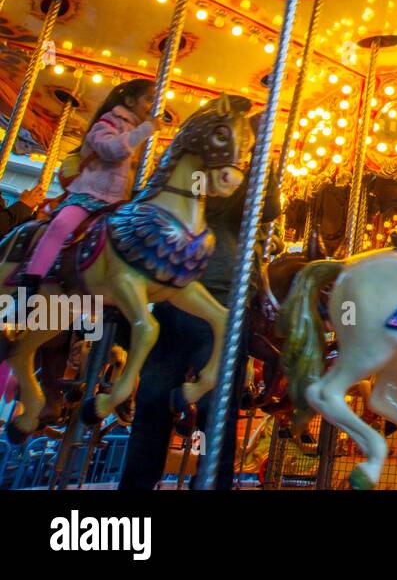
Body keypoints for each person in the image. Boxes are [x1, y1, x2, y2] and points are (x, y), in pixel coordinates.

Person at [118, 110, 279, 491]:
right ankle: (211, 480)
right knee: (213, 409)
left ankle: (141, 482)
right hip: (219, 293)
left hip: (179, 289)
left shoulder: (197, 172)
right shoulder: (232, 176)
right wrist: (264, 161)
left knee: (158, 402)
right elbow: (268, 209)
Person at [20, 78, 156, 293]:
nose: (154, 105)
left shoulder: (145, 137)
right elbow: (110, 150)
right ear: (130, 100)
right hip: (90, 194)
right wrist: (146, 130)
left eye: (156, 100)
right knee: (60, 226)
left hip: (120, 202)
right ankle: (30, 282)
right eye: (149, 99)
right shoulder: (108, 123)